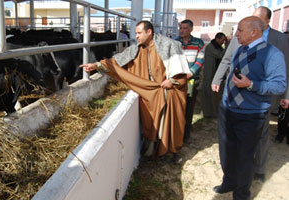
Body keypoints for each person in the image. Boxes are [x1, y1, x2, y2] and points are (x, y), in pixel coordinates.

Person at [79, 21, 190, 164]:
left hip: (169, 90)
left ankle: (174, 151)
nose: (136, 36)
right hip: (149, 91)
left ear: (149, 32)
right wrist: (97, 65)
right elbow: (117, 61)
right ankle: (157, 152)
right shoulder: (136, 49)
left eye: (139, 33)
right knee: (152, 123)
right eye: (136, 33)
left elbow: (180, 71)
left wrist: (172, 80)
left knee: (173, 123)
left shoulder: (169, 45)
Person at [211, 6, 289, 182]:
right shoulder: (241, 36)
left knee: (261, 134)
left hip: (262, 98)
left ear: (267, 22)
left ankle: (259, 169)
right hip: (236, 98)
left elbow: (285, 71)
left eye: (258, 19)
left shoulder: (280, 40)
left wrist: (286, 95)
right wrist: (217, 80)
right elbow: (227, 58)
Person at [175, 19, 205, 144]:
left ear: (191, 29)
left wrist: (190, 73)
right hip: (177, 81)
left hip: (193, 81)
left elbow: (200, 60)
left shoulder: (199, 43)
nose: (182, 31)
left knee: (188, 109)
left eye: (185, 28)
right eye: (181, 28)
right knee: (177, 109)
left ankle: (186, 136)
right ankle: (176, 135)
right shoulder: (175, 42)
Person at [201, 32, 227, 118]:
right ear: (217, 39)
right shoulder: (211, 47)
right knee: (208, 95)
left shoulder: (217, 47)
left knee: (216, 96)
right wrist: (228, 47)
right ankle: (208, 113)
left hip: (214, 74)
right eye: (222, 40)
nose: (223, 42)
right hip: (210, 75)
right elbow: (220, 55)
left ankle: (214, 112)